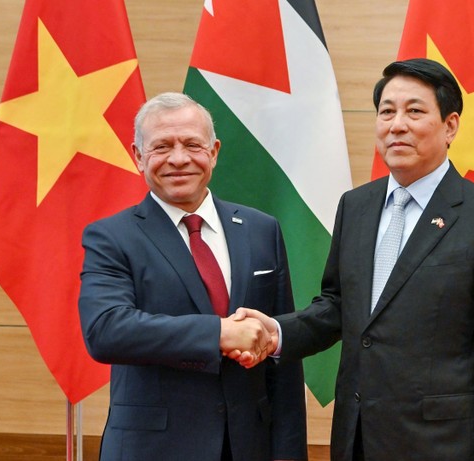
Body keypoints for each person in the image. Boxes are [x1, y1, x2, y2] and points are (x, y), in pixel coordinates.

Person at [233, 58, 474, 460]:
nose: (397, 125)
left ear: (450, 126)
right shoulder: (356, 206)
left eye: (415, 111)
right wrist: (277, 333)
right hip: (356, 438)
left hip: (441, 446)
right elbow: (339, 306)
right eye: (387, 112)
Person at [78, 92, 307, 461]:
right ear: (138, 156)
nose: (179, 158)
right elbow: (106, 330)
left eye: (192, 144)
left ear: (213, 152)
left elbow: (282, 355)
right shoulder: (111, 236)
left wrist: (289, 452)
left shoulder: (261, 229)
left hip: (249, 446)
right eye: (162, 146)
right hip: (153, 449)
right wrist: (218, 333)